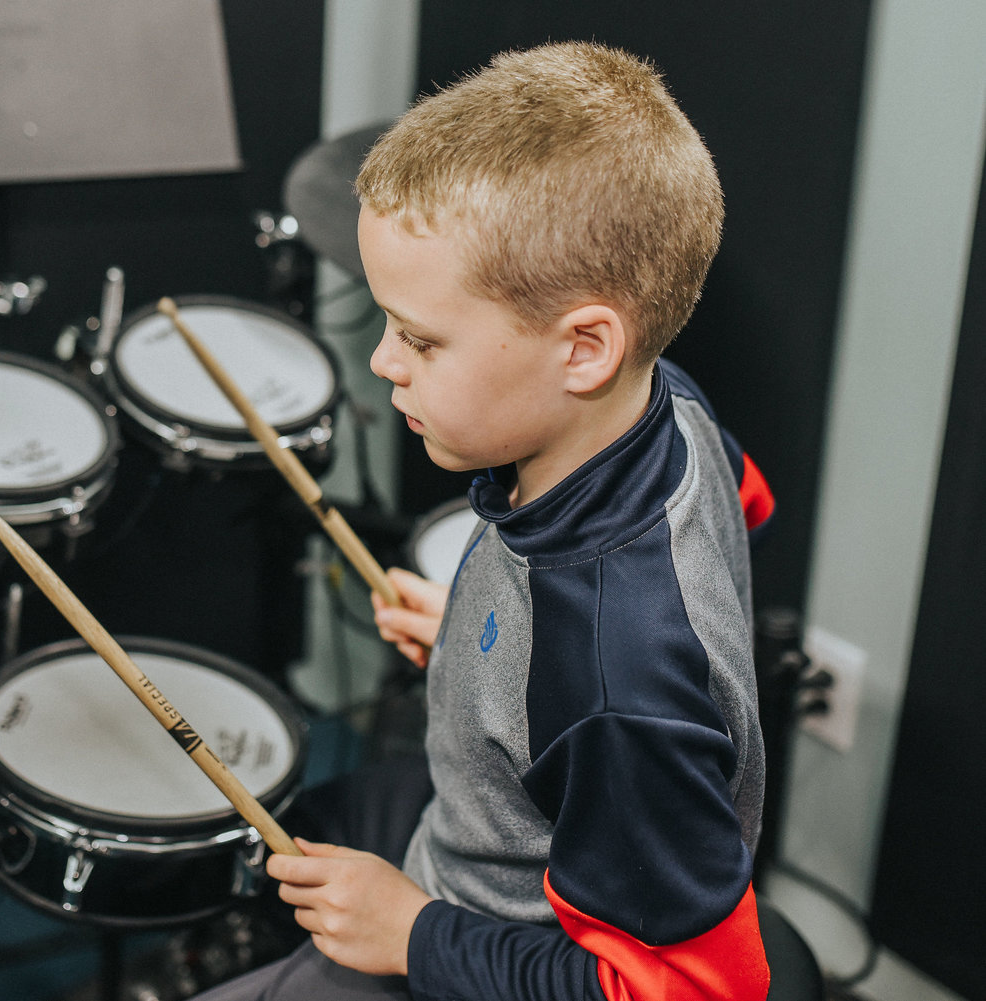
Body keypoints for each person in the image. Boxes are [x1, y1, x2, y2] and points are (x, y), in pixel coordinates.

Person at [191, 40, 777, 1001]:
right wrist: (492, 660)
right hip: (481, 836)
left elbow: (697, 992)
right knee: (296, 826)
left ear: (584, 348)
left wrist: (413, 933)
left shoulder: (613, 680)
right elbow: (743, 503)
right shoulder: (669, 404)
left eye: (418, 337)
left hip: (484, 949)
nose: (383, 363)